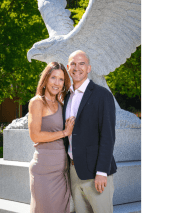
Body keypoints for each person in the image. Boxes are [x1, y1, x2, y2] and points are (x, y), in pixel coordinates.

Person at [63, 50, 117, 213]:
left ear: (89, 68)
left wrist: (102, 171)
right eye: (73, 63)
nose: (77, 67)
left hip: (96, 174)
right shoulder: (66, 97)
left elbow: (108, 136)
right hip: (74, 172)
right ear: (67, 67)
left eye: (82, 63)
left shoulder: (102, 95)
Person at [28, 62, 75, 213]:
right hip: (44, 171)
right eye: (53, 77)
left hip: (62, 171)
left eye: (61, 79)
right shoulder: (37, 102)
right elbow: (35, 135)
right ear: (46, 79)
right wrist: (64, 132)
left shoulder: (61, 104)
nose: (57, 83)